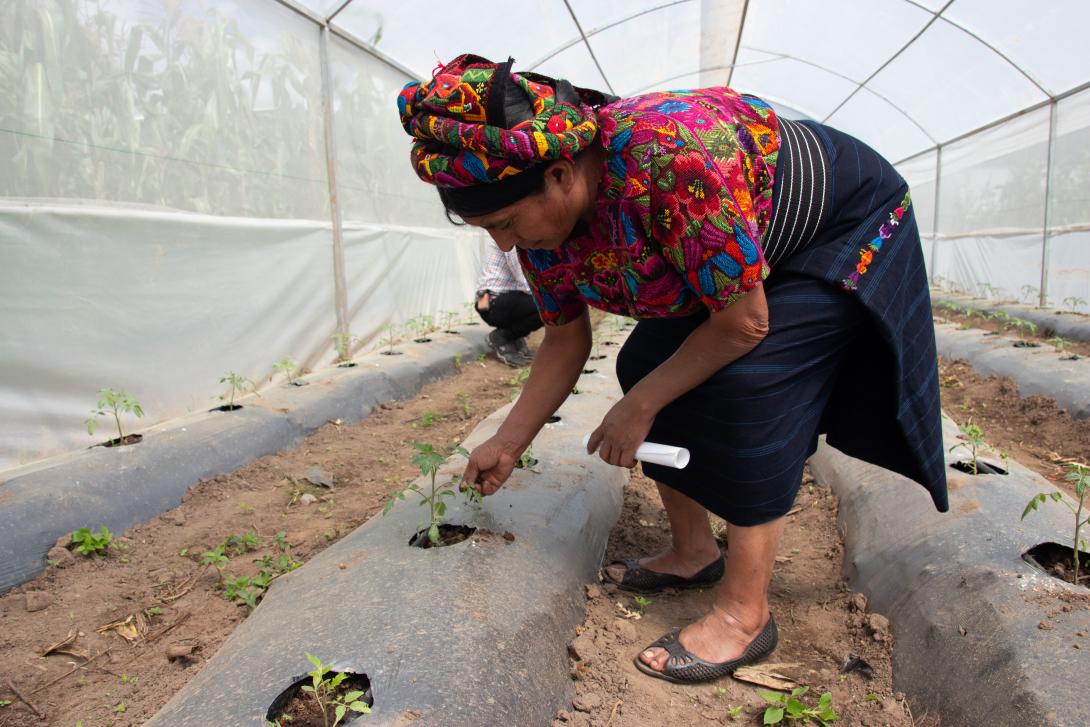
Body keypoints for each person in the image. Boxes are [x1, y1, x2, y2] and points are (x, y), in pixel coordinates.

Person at [397, 55, 948, 684]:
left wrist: (639, 408)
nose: (502, 245)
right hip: (744, 240)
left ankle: (746, 615)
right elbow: (563, 339)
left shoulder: (671, 159)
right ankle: (693, 552)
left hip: (840, 226)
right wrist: (507, 440)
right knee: (644, 362)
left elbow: (744, 322)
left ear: (559, 176)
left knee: (751, 387)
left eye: (503, 222)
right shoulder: (544, 231)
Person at [475, 237, 542, 367]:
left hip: (500, 299)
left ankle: (513, 337)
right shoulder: (510, 241)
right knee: (547, 305)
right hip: (491, 302)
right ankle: (502, 337)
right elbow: (525, 282)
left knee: (544, 302)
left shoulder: (514, 236)